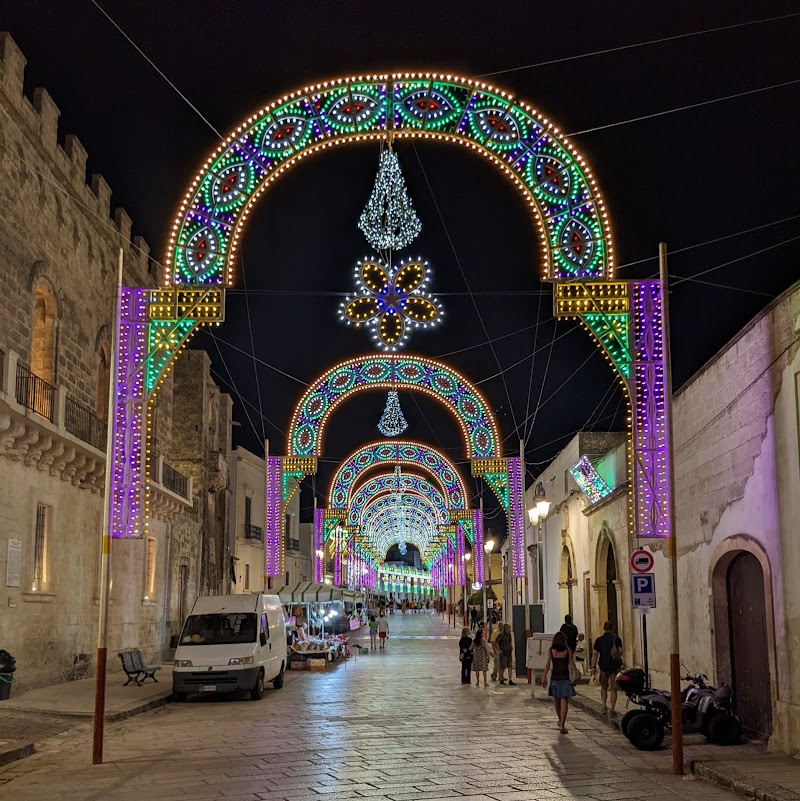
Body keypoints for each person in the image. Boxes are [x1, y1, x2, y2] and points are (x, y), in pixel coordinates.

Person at [542, 631, 576, 733]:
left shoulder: (551, 651)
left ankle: (560, 720)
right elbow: (570, 663)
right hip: (565, 678)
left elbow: (548, 664)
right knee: (564, 701)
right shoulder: (568, 650)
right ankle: (562, 724)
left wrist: (544, 676)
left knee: (557, 701)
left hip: (555, 678)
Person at [592, 621, 623, 715]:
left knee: (604, 687)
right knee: (613, 688)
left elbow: (595, 654)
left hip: (603, 666)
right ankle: (612, 709)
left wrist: (593, 666)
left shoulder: (599, 640)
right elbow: (621, 651)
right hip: (614, 666)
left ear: (604, 628)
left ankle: (604, 706)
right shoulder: (616, 638)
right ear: (612, 628)